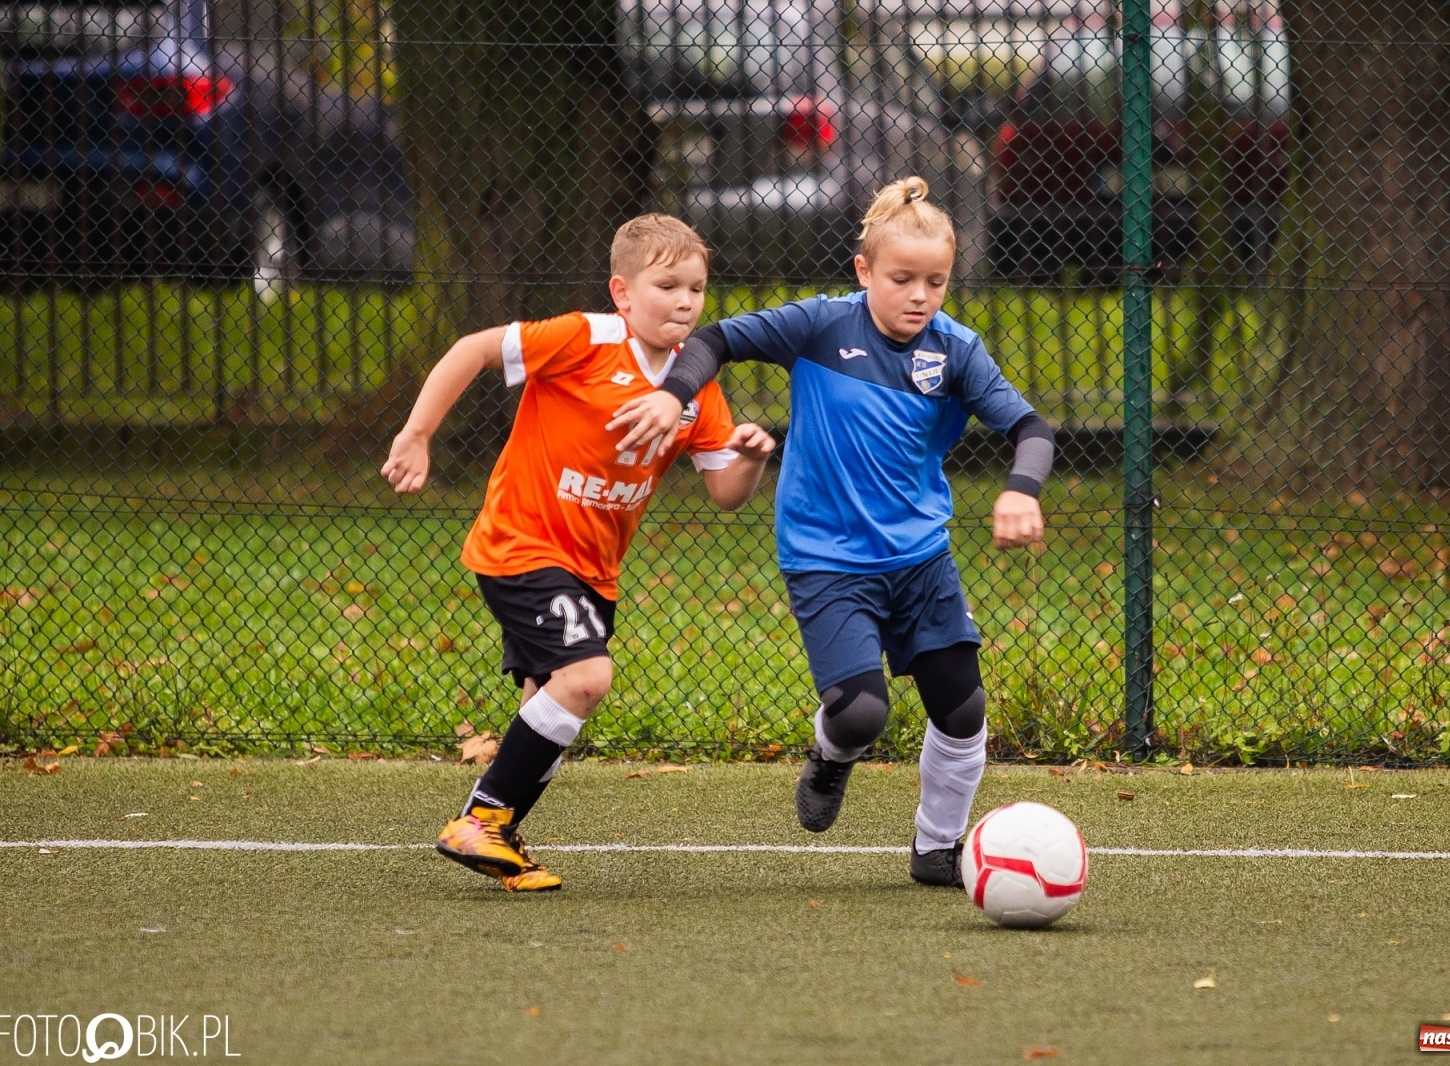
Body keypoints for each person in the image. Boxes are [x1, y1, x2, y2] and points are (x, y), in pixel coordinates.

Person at [608, 178, 1054, 887]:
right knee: (860, 714)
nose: (919, 296)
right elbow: (717, 339)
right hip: (826, 560)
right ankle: (830, 756)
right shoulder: (820, 325)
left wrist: (1019, 491)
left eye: (935, 281)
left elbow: (1030, 428)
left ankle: (938, 846)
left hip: (920, 559)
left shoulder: (957, 351)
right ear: (863, 272)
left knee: (963, 707)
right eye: (902, 278)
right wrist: (671, 395)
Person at [381, 214, 775, 891]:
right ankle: (482, 819)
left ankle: (497, 836)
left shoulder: (696, 382)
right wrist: (418, 434)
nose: (686, 302)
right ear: (623, 293)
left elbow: (725, 494)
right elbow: (471, 350)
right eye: (668, 285)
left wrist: (751, 455)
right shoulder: (586, 338)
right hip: (522, 543)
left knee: (550, 700)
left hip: (595, 570)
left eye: (698, 289)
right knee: (588, 677)